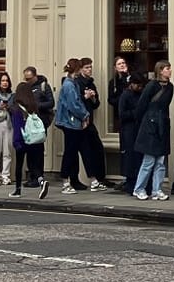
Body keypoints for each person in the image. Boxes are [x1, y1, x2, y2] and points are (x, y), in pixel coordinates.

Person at [131, 60, 173, 199]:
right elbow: (142, 104)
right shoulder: (151, 86)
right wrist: (143, 122)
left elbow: (166, 106)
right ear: (160, 70)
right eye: (167, 68)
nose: (170, 70)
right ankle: (139, 188)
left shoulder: (170, 87)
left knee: (160, 161)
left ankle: (157, 190)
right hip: (150, 124)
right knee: (148, 160)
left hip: (163, 124)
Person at [54, 58, 93, 191]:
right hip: (70, 122)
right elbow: (74, 104)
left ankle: (73, 180)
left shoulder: (70, 83)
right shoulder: (70, 85)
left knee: (73, 152)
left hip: (70, 122)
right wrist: (85, 115)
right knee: (70, 152)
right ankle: (66, 181)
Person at [10, 66, 48, 197]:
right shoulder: (33, 106)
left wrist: (16, 142)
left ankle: (18, 190)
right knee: (34, 165)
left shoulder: (16, 109)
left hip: (22, 140)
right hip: (35, 139)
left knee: (20, 165)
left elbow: (17, 127)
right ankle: (42, 181)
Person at [75, 59, 110, 188]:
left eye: (90, 67)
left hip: (90, 121)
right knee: (86, 150)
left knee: (98, 148)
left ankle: (100, 177)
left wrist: (93, 97)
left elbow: (96, 104)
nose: (89, 70)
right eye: (87, 68)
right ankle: (93, 178)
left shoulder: (91, 83)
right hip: (80, 122)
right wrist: (85, 97)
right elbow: (75, 103)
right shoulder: (77, 83)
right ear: (81, 69)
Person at [116, 70, 148, 183]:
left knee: (139, 156)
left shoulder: (142, 94)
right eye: (137, 85)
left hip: (140, 128)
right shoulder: (125, 95)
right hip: (128, 129)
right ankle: (130, 181)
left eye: (141, 85)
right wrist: (136, 113)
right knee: (130, 157)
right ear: (132, 84)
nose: (139, 87)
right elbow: (122, 114)